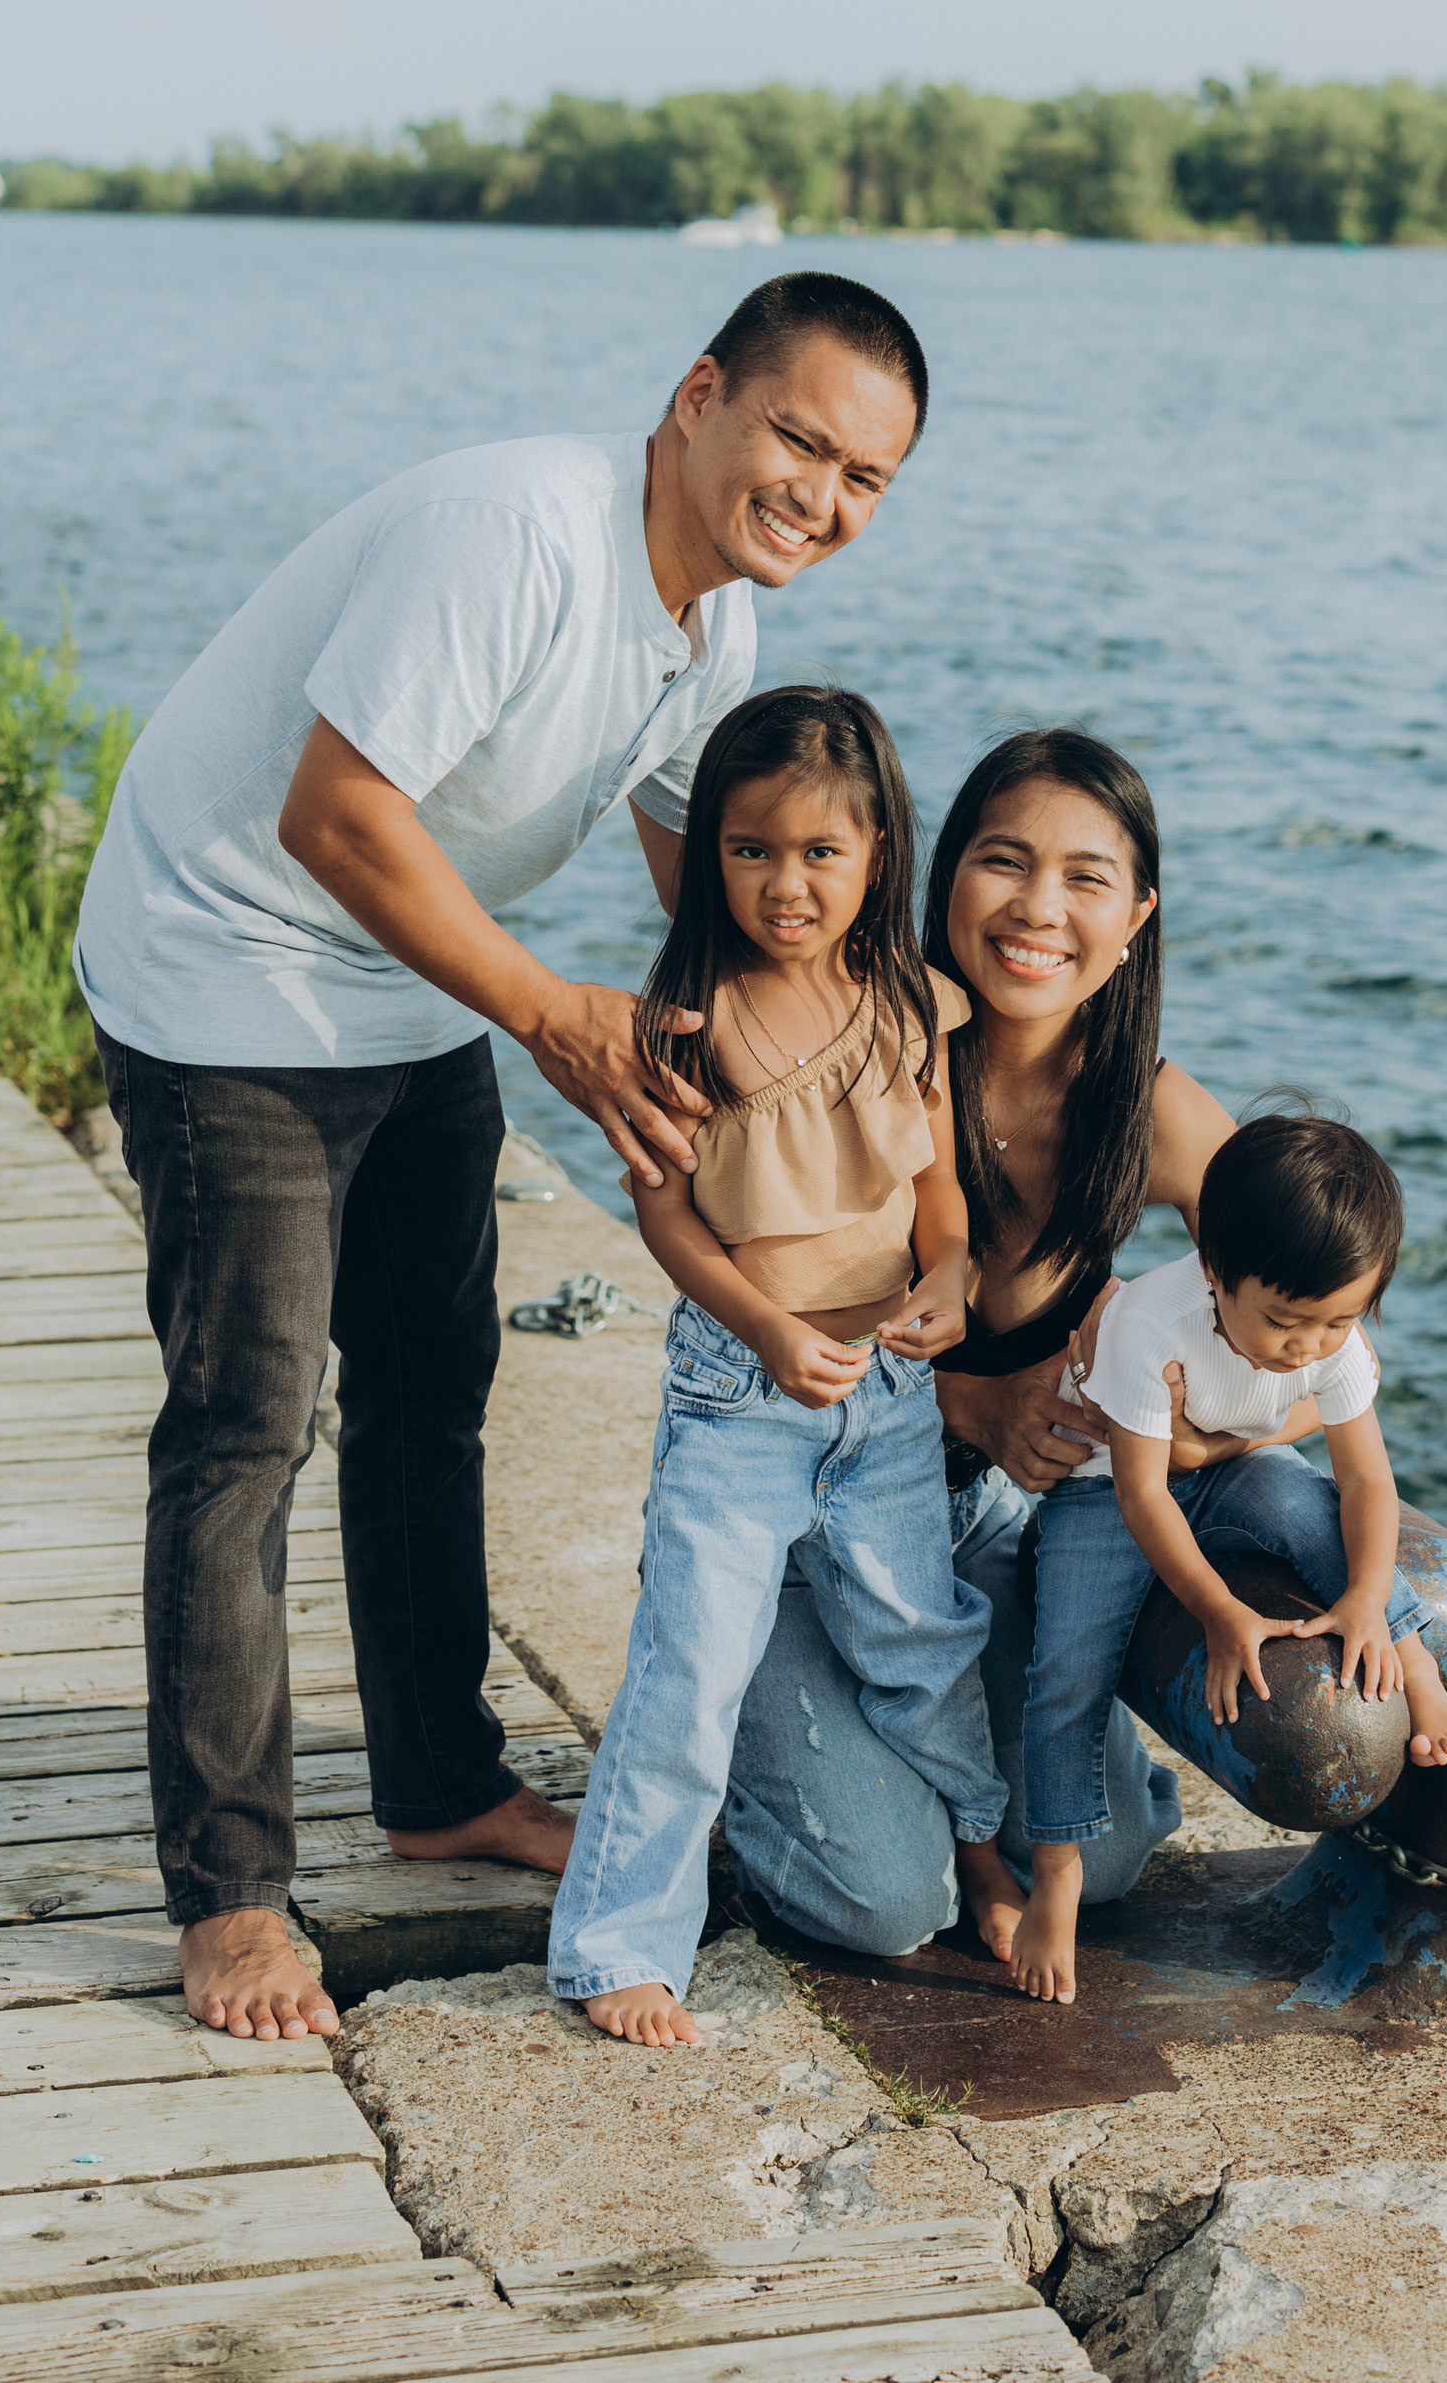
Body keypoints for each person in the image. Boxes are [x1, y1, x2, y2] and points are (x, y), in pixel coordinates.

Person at [71, 271, 929, 2043]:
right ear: (701, 395)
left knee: (433, 1383)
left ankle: (441, 1782)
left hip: (402, 975)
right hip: (226, 959)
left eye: (866, 479)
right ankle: (228, 1897)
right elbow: (333, 813)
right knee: (245, 1426)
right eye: (799, 438)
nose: (822, 497)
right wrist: (552, 1013)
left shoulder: (719, 636)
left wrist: (867, 1069)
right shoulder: (518, 535)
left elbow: (718, 889)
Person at [726, 725, 1293, 1959]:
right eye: (1003, 862)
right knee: (888, 1906)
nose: (1039, 909)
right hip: (798, 1521)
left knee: (1107, 1862)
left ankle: (938, 1771)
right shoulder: (851, 1054)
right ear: (942, 883)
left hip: (985, 1534)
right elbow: (744, 1339)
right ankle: (745, 1741)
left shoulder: (1151, 1110)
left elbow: (1320, 1338)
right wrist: (977, 1409)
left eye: (1086, 878)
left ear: (1136, 914)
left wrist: (1185, 1436)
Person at [545, 686, 1016, 2044]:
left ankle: (978, 1836)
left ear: (878, 853)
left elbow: (936, 1201)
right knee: (689, 1662)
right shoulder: (686, 1018)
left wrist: (947, 1281)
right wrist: (762, 1327)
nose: (786, 884)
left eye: (822, 852)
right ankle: (622, 1944)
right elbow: (667, 1218)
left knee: (916, 1638)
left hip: (888, 1389)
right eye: (751, 851)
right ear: (710, 857)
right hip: (741, 1390)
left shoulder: (909, 1005)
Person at [1009, 1108, 1447, 2002]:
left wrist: (1368, 1596)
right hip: (1107, 1484)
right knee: (1066, 1663)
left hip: (1234, 1464)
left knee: (1308, 1508)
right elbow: (1144, 1495)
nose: (1310, 1347)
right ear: (1216, 1272)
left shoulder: (1330, 1333)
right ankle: (1058, 1872)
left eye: (1338, 1323)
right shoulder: (1152, 1324)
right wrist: (1222, 1612)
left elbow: (1367, 1481)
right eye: (1288, 1322)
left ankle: (1412, 1654)